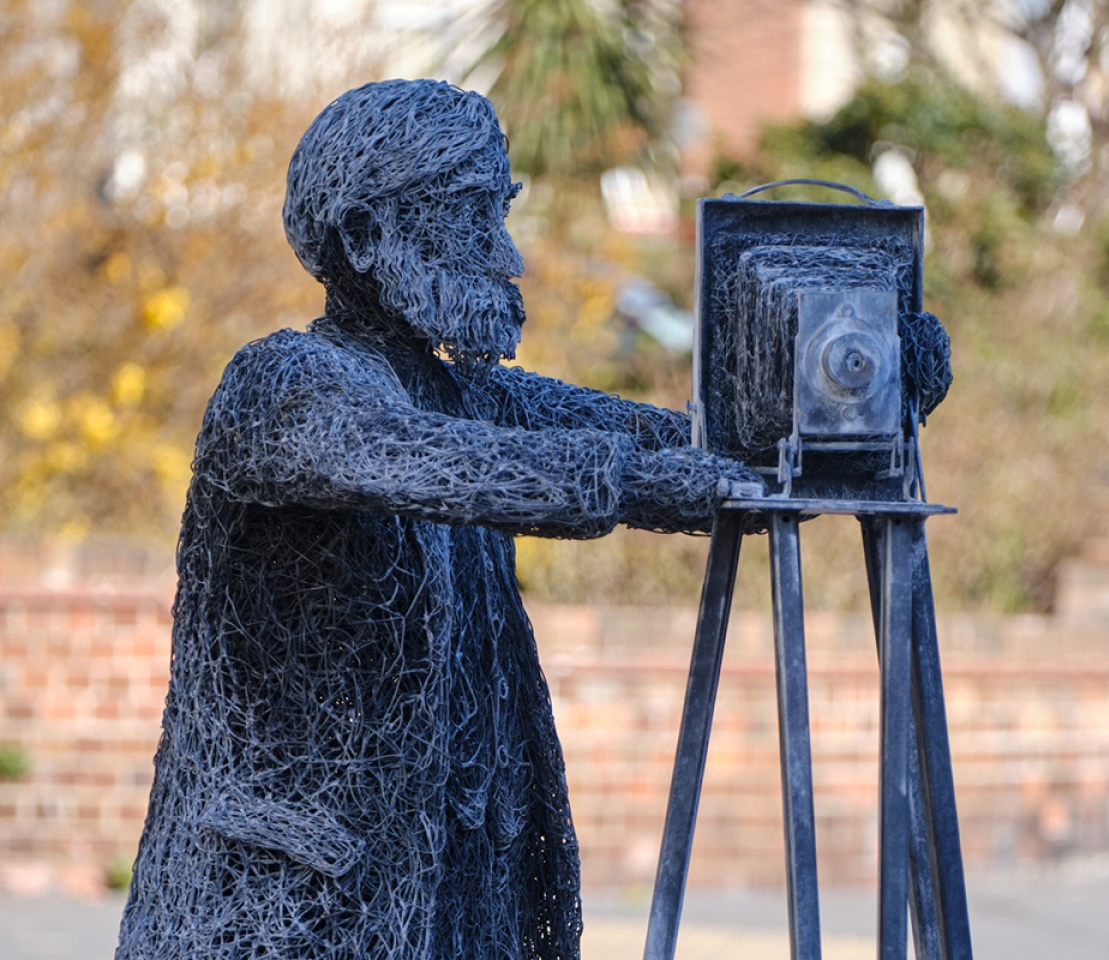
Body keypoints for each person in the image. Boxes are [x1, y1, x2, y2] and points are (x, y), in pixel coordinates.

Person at [115, 79, 755, 960]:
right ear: (364, 237)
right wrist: (634, 485)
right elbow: (427, 459)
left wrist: (860, 383)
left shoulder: (468, 395)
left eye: (501, 215)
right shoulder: (277, 387)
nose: (508, 257)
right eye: (472, 217)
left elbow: (691, 438)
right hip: (300, 913)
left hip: (462, 904)